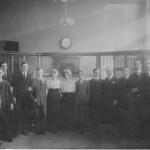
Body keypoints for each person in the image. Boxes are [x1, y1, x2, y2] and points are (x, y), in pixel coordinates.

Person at [12, 62, 32, 135]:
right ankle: (16, 131)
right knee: (17, 113)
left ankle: (23, 130)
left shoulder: (29, 74)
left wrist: (31, 87)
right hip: (18, 97)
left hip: (26, 98)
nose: (25, 67)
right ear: (21, 67)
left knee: (24, 114)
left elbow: (30, 84)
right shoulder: (16, 74)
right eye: (23, 66)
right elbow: (14, 86)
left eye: (26, 66)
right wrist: (13, 96)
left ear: (28, 67)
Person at [127, 59, 145, 138]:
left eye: (138, 64)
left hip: (143, 99)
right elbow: (129, 86)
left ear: (141, 65)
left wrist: (138, 89)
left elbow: (147, 86)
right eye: (135, 64)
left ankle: (142, 134)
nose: (136, 66)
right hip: (134, 100)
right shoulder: (132, 75)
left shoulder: (145, 75)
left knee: (142, 116)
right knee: (134, 117)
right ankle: (134, 134)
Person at [0, 62, 17, 138]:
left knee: (7, 118)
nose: (4, 68)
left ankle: (8, 134)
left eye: (5, 66)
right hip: (1, 101)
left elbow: (11, 89)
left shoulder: (7, 80)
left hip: (6, 100)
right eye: (2, 66)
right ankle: (6, 134)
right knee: (3, 118)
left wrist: (12, 102)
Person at [31, 68, 47, 135]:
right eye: (38, 72)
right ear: (37, 73)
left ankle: (43, 130)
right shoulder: (33, 81)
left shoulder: (44, 80)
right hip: (36, 100)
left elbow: (45, 90)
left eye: (41, 72)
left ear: (42, 73)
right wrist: (34, 99)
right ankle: (37, 130)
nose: (40, 73)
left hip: (43, 101)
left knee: (43, 115)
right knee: (37, 116)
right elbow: (30, 92)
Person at [0, 68, 13, 142]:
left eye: (0, 73)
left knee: (5, 120)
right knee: (3, 120)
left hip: (5, 104)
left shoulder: (6, 83)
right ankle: (8, 136)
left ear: (2, 74)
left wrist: (11, 103)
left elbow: (10, 94)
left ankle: (6, 136)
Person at [47, 69, 61, 133]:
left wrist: (60, 96)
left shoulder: (59, 81)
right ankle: (50, 126)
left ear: (57, 75)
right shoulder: (48, 81)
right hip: (50, 95)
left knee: (56, 111)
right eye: (52, 74)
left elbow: (60, 91)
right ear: (51, 75)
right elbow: (47, 90)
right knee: (50, 111)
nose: (54, 75)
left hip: (57, 96)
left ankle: (55, 126)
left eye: (55, 74)